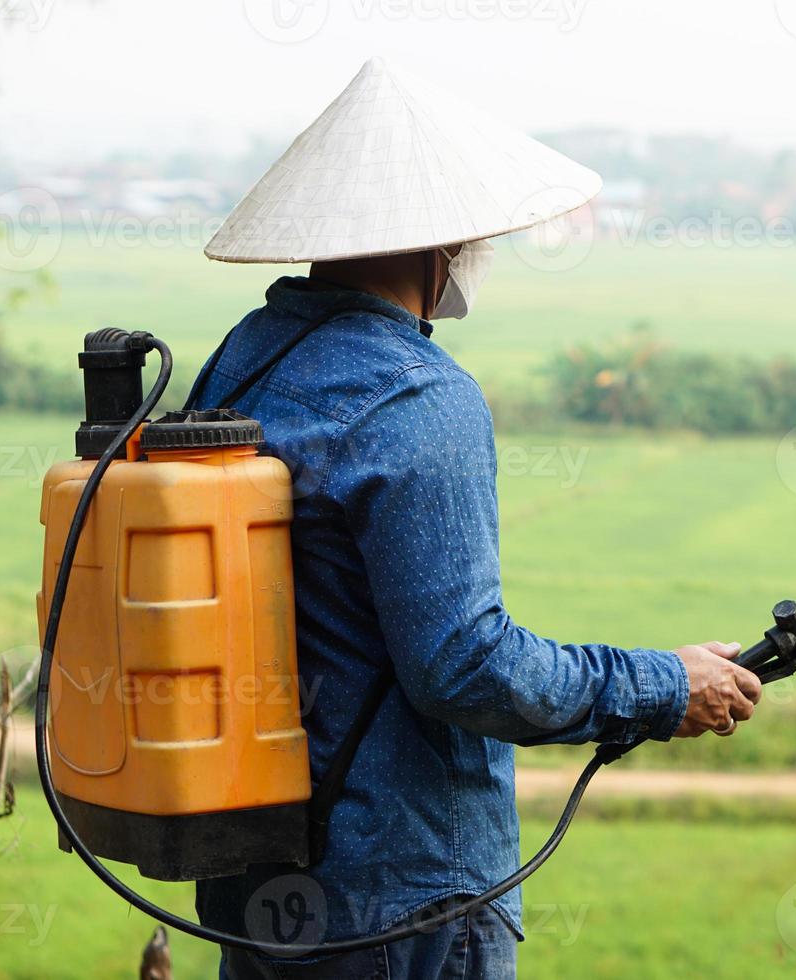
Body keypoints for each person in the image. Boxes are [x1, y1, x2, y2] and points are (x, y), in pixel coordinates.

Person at [190, 59, 763, 980]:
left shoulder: (245, 360)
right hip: (403, 901)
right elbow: (466, 668)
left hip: (260, 884)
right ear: (440, 243)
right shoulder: (417, 395)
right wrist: (663, 685)